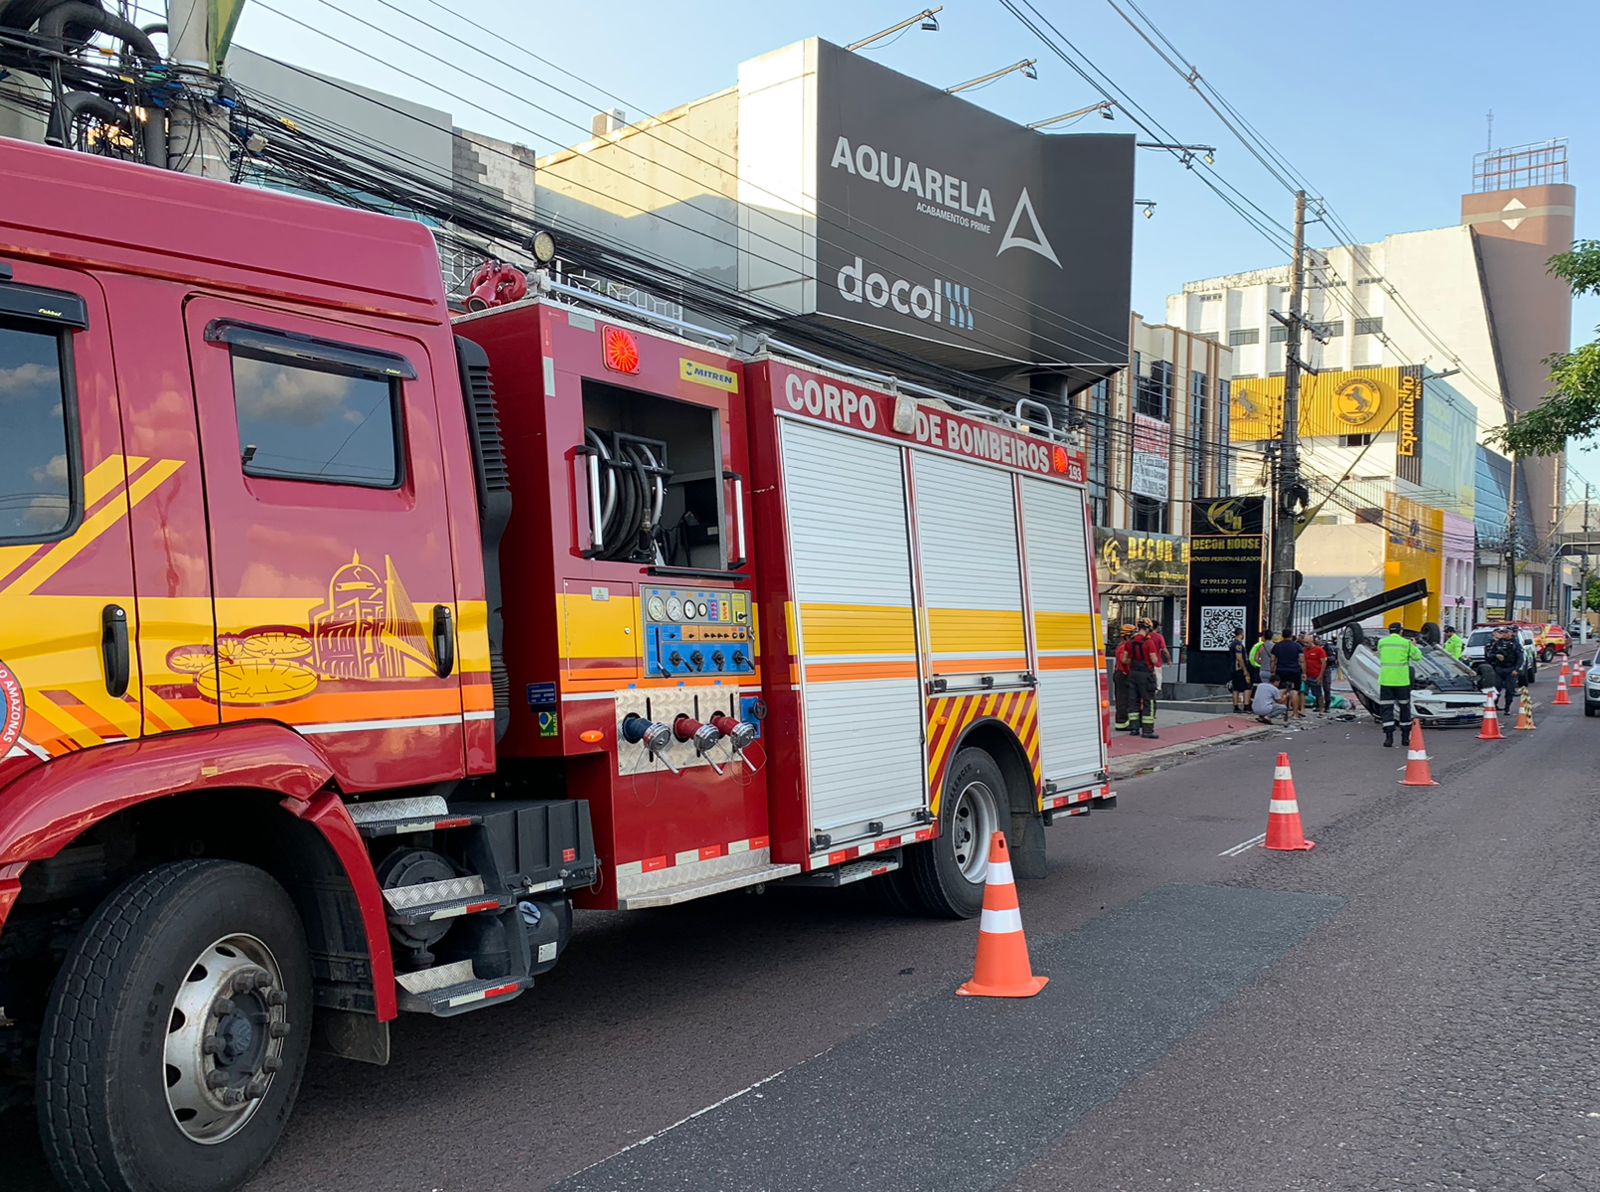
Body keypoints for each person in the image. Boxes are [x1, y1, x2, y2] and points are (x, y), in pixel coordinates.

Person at [1376, 621, 1424, 748]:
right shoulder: (1406, 643)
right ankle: (1405, 738)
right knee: (1404, 709)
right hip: (1402, 682)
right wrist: (1414, 645)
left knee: (1387, 709)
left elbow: (1380, 655)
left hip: (1386, 681)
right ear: (1401, 631)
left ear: (1389, 631)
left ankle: (1388, 738)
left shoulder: (1382, 642)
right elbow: (1418, 657)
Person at [1118, 623, 1160, 739]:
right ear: (1146, 630)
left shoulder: (1129, 643)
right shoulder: (1149, 642)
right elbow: (1154, 660)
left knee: (1133, 702)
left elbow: (1124, 660)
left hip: (1133, 675)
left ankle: (1134, 728)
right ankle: (1147, 731)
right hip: (1146, 675)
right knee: (1148, 702)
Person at [1484, 625, 1521, 715]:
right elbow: (1489, 655)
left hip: (1510, 669)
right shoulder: (1497, 643)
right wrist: (1496, 656)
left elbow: (1520, 658)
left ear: (1510, 634)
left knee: (1510, 690)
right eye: (1502, 632)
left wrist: (1516, 669)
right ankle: (1494, 706)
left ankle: (1507, 708)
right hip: (1499, 669)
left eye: (1506, 632)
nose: (1504, 634)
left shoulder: (1515, 644)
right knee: (1496, 689)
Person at [1268, 631, 1306, 717]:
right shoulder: (1297, 646)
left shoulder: (1277, 646)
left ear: (1282, 636)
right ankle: (1295, 713)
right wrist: (1304, 672)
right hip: (1295, 670)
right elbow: (1302, 660)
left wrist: (1272, 670)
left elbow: (1273, 659)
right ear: (1291, 636)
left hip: (1281, 670)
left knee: (1281, 690)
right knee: (1295, 691)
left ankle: (1282, 712)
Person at [1111, 624, 1137, 732]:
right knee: (1123, 699)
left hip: (1122, 674)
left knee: (1125, 699)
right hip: (1122, 675)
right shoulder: (1124, 646)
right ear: (1127, 636)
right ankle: (1121, 722)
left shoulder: (1123, 645)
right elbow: (1123, 660)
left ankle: (1123, 721)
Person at [1302, 633, 1329, 713]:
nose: (1305, 645)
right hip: (1307, 675)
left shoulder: (1319, 650)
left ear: (1311, 642)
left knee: (1318, 694)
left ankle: (1321, 708)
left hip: (1316, 675)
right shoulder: (1304, 650)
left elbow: (1324, 663)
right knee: (1303, 692)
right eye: (1304, 643)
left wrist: (1320, 676)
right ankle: (1302, 709)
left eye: (1307, 643)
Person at [1228, 626, 1251, 711]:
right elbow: (1239, 658)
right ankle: (1246, 705)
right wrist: (1245, 670)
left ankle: (1236, 706)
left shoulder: (1233, 643)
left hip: (1233, 669)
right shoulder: (1238, 645)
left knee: (1236, 688)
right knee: (1246, 687)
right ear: (1241, 634)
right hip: (1239, 669)